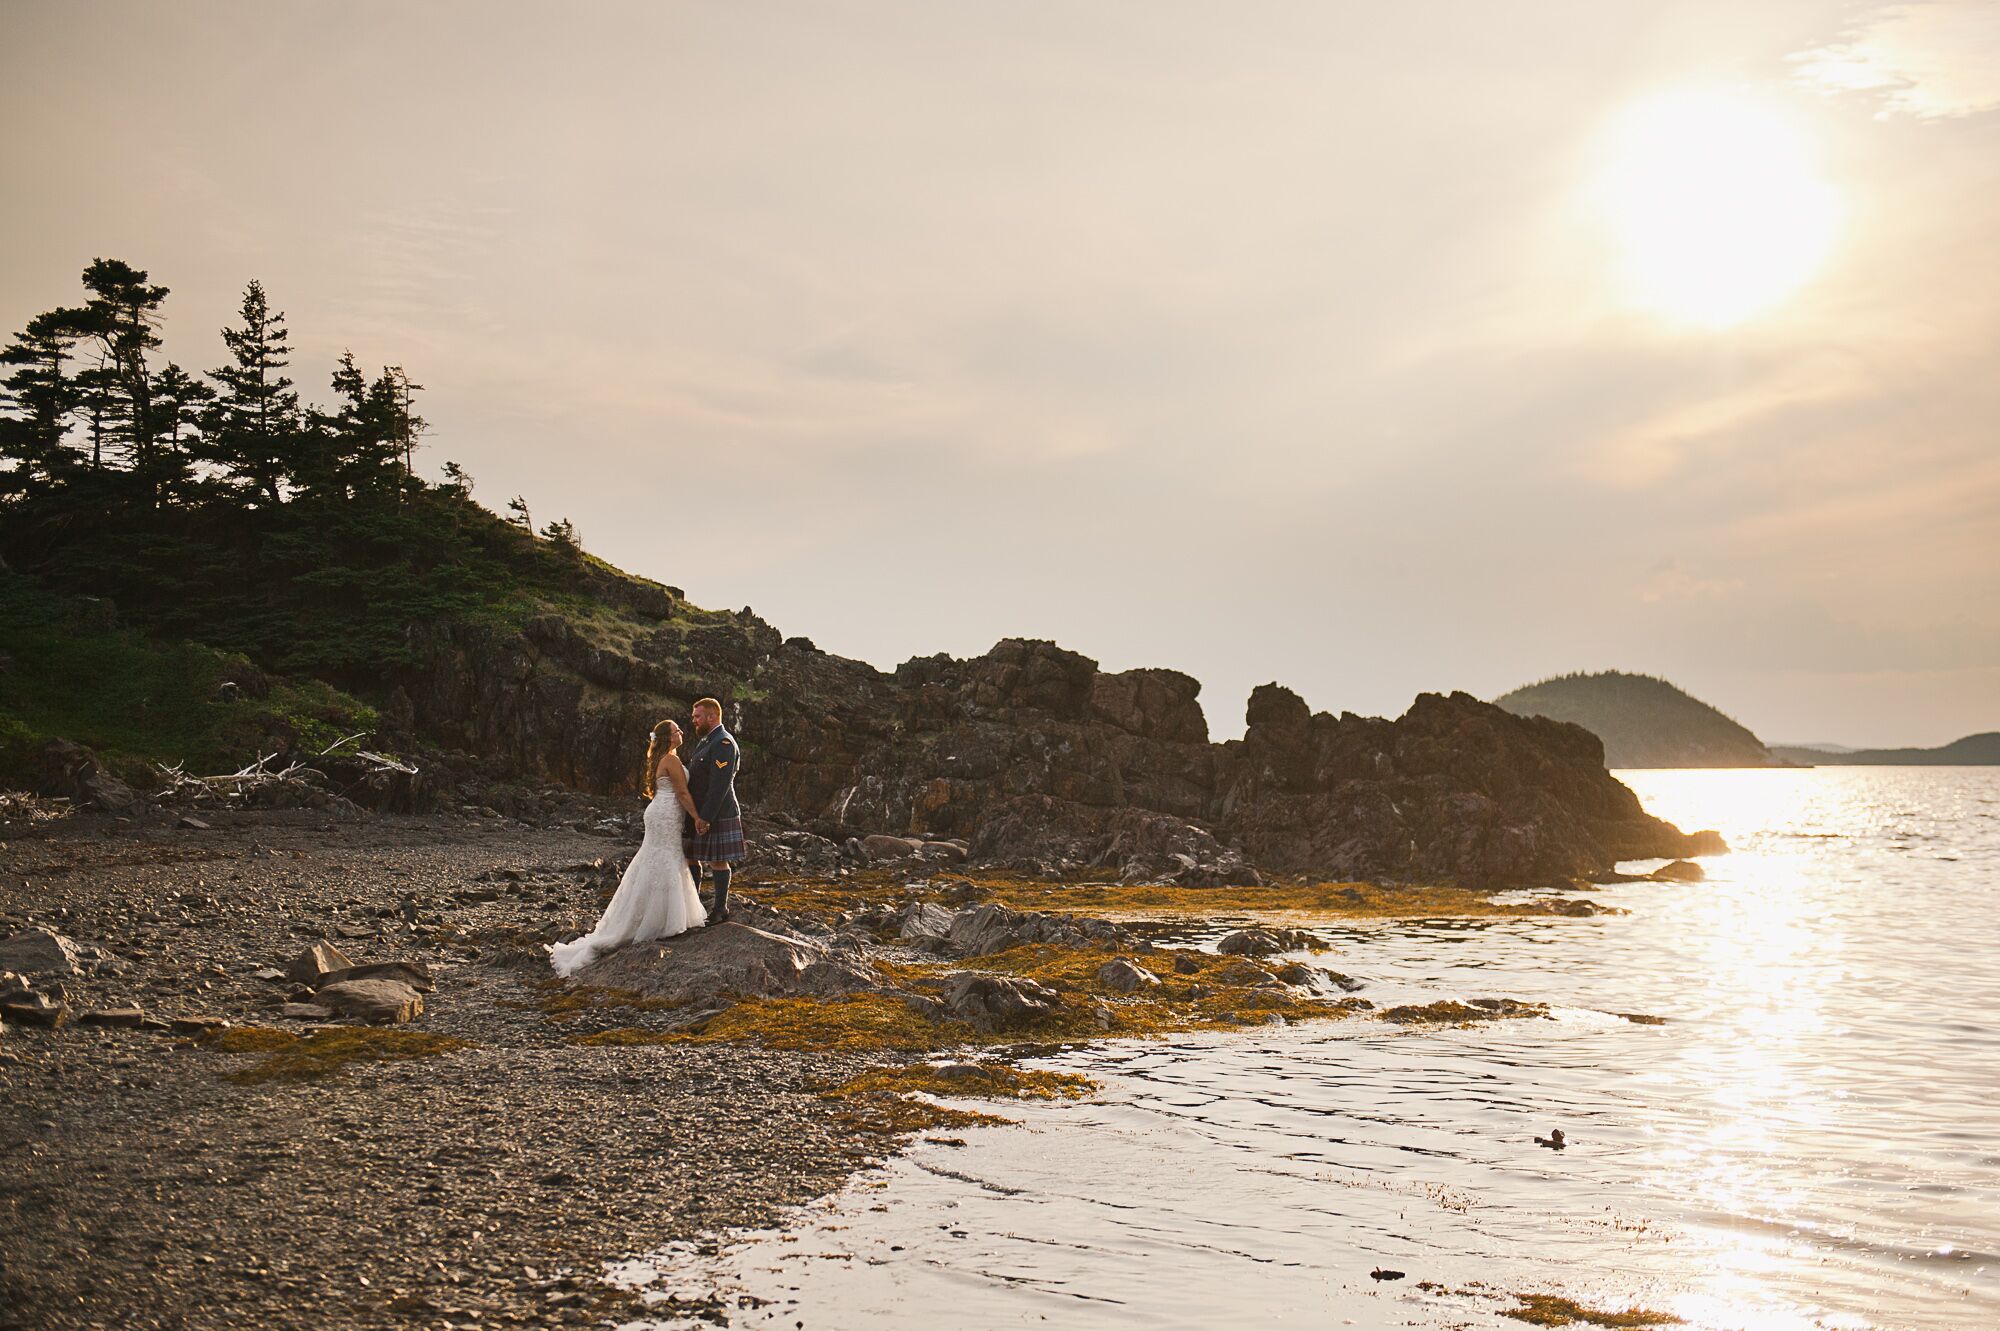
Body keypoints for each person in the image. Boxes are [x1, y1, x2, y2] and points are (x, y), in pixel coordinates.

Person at [547, 719, 705, 976]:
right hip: (666, 814)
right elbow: (683, 794)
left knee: (657, 859)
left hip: (661, 812)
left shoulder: (665, 758)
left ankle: (651, 916)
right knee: (664, 858)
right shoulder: (671, 760)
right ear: (668, 736)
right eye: (677, 730)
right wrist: (698, 817)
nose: (681, 732)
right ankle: (658, 921)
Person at [682, 696, 745, 924]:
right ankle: (692, 908)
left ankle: (720, 910)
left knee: (718, 860)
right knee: (690, 856)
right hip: (698, 812)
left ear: (712, 716)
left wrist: (706, 817)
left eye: (697, 716)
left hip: (718, 812)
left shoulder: (723, 743)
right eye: (693, 717)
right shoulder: (706, 741)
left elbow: (719, 785)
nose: (694, 721)